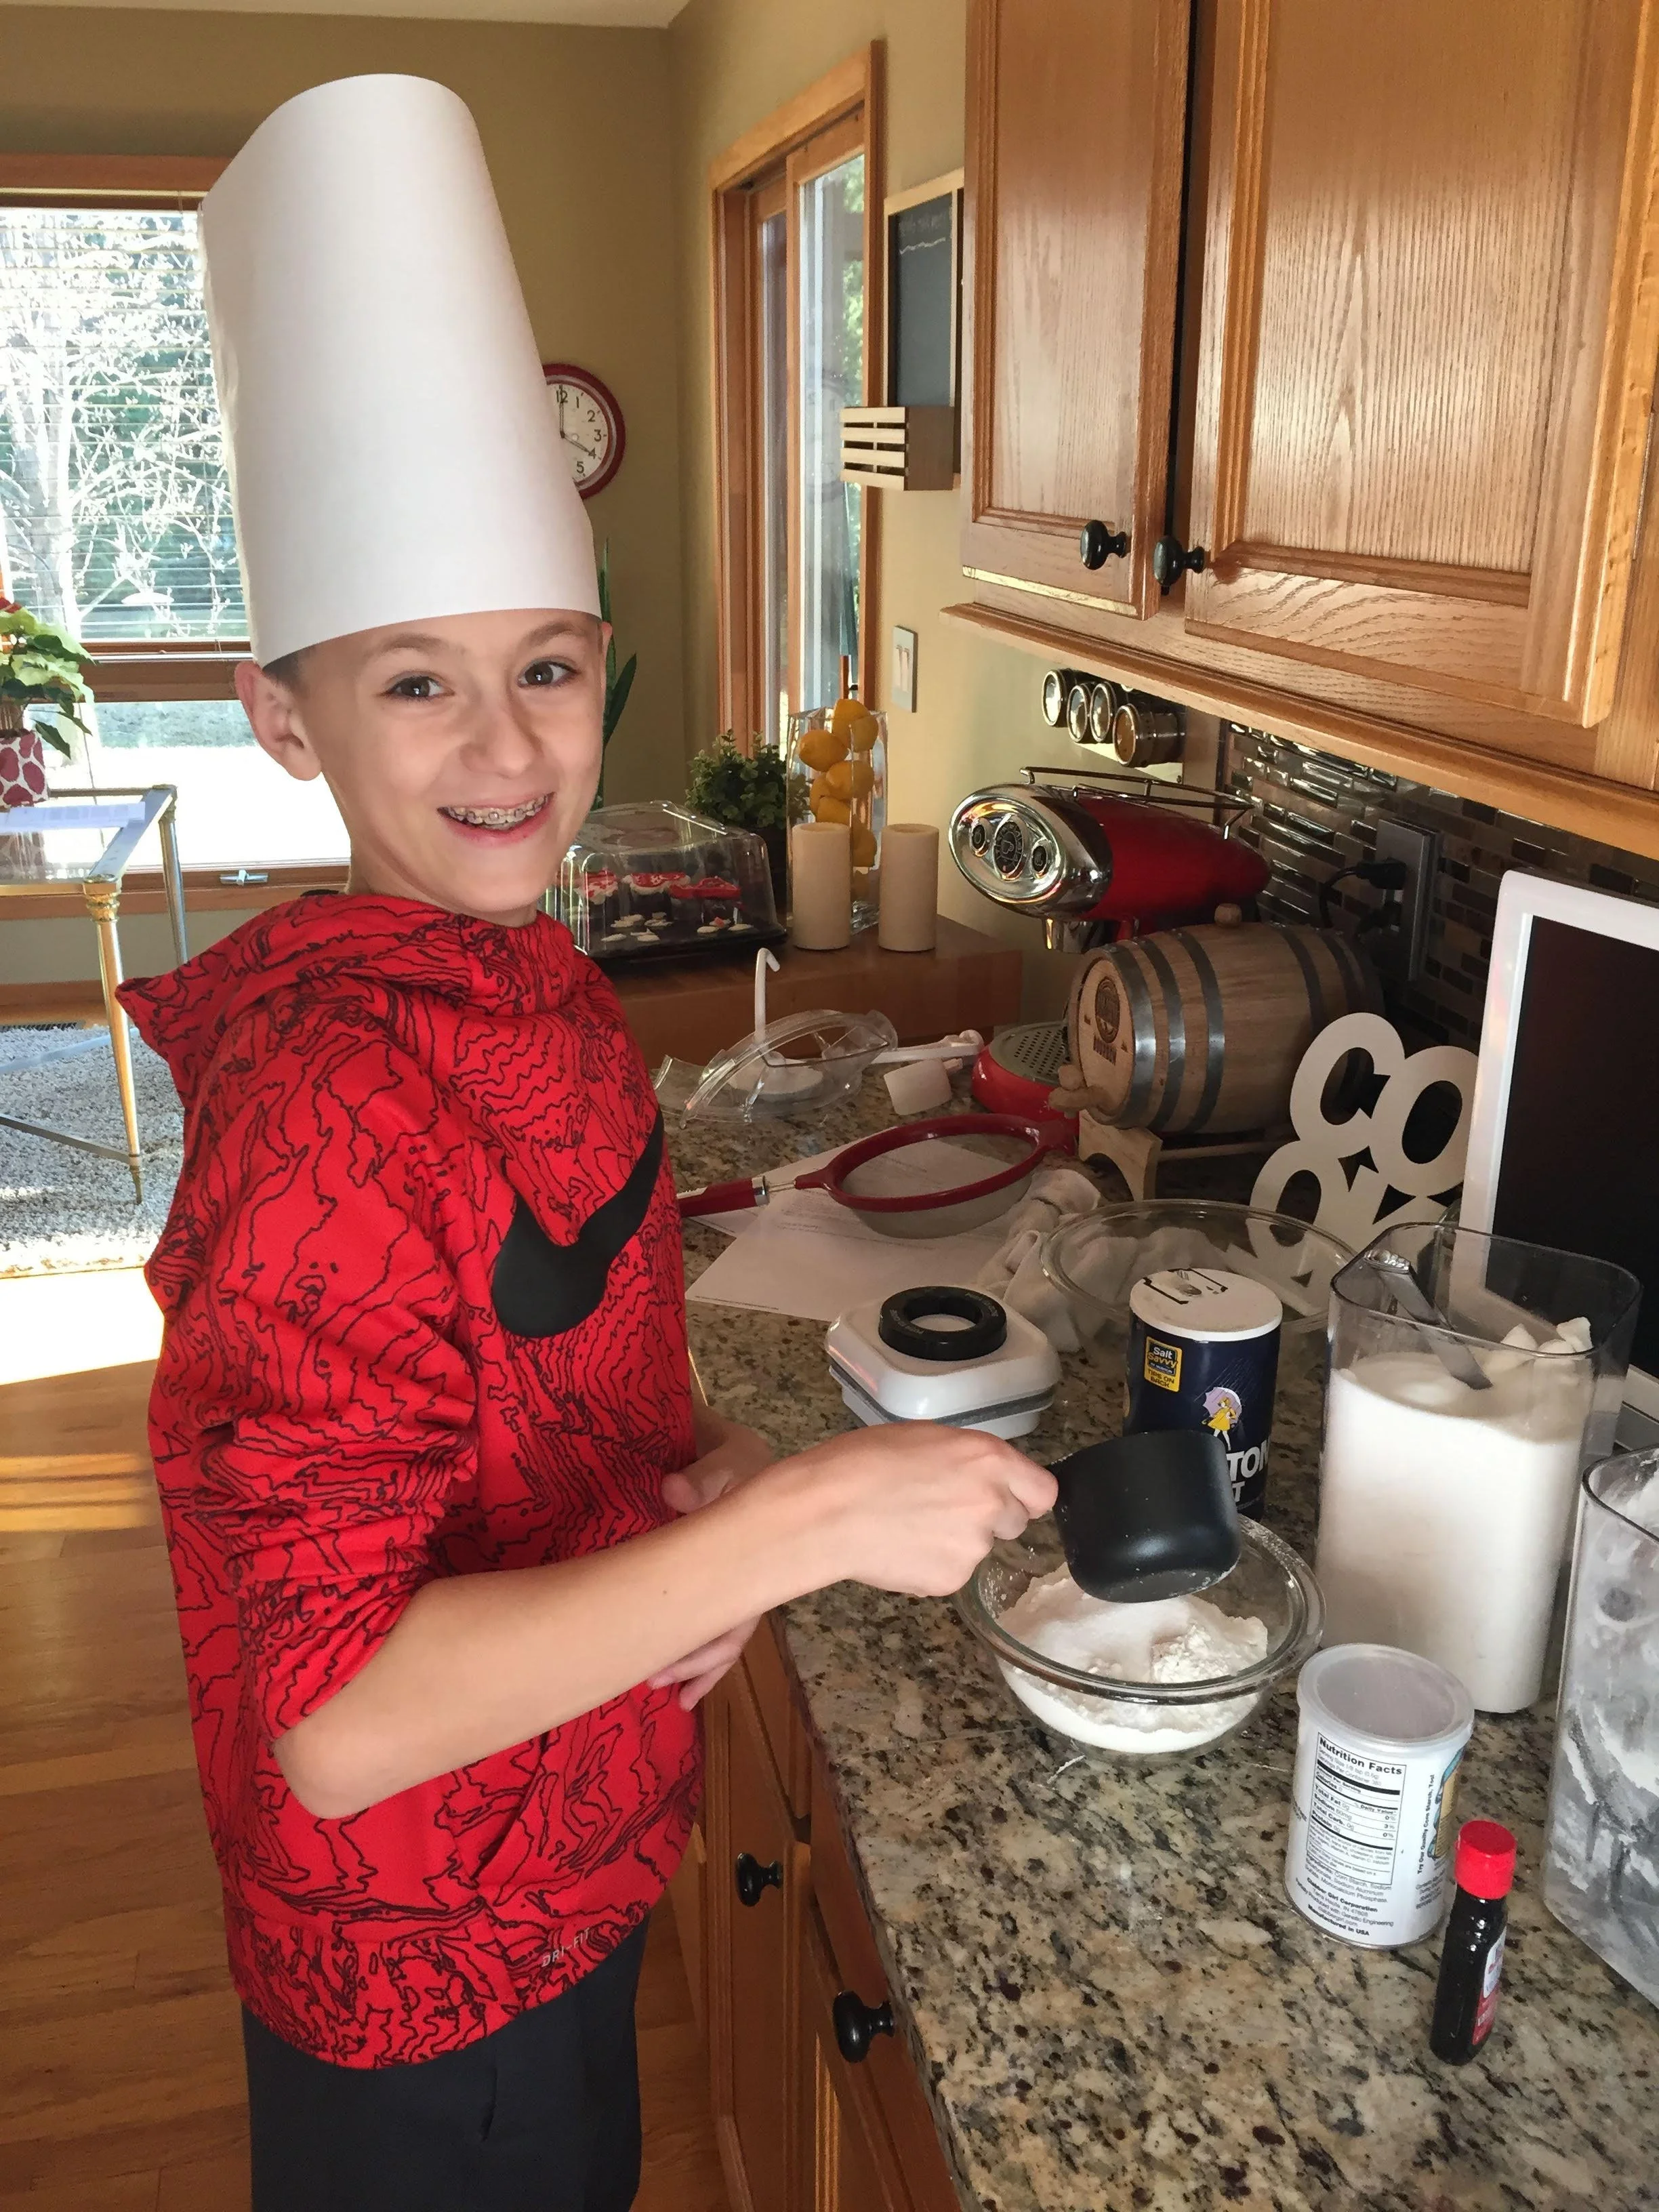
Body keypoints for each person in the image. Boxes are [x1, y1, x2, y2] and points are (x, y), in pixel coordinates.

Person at [117, 75, 1054, 2212]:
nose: (507, 747)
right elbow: (340, 1721)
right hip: (427, 1964)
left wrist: (679, 1507)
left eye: (542, 668)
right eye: (415, 688)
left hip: (565, 1859)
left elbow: (527, 1404)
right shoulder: (328, 1112)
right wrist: (794, 1520)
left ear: (605, 663)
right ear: (287, 721)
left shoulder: (519, 967)